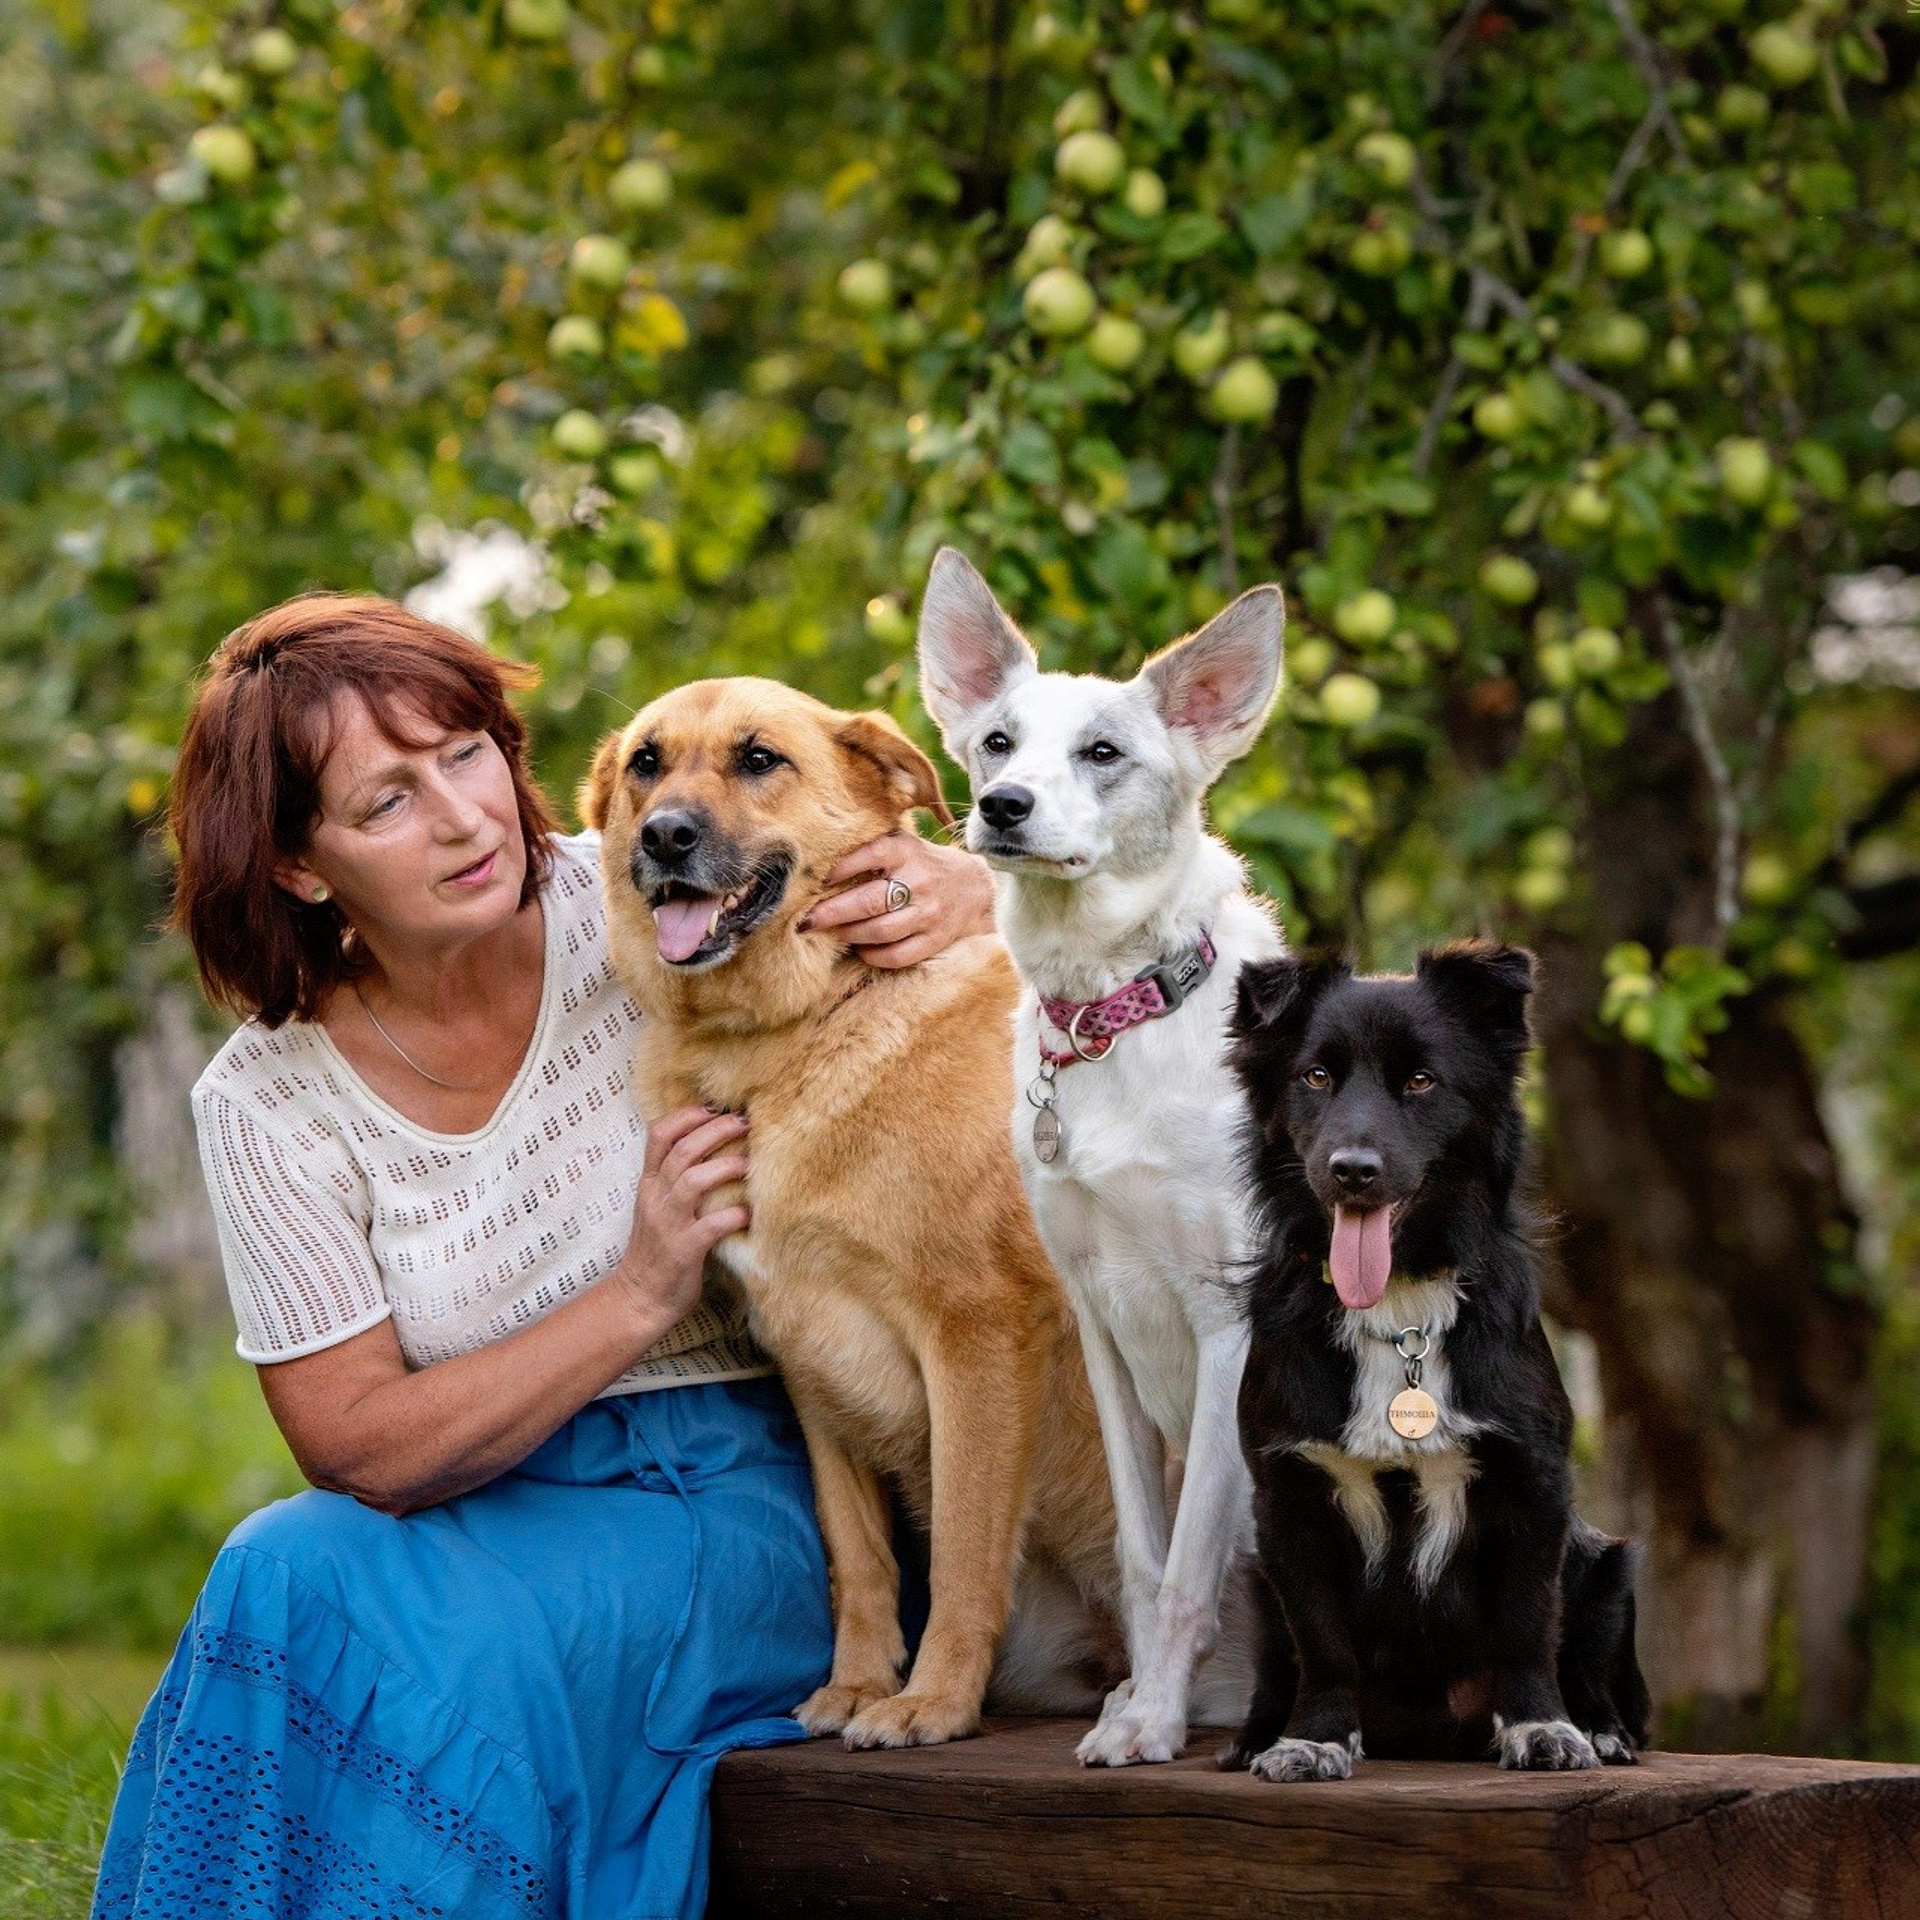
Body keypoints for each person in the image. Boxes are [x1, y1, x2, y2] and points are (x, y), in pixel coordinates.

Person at [90, 594, 995, 1920]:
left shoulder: (659, 900)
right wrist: (639, 1288)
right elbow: (358, 1450)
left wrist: (969, 881)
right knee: (283, 1566)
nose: (462, 819)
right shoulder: (267, 1104)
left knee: (452, 1660)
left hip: (756, 1491)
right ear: (298, 863)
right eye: (385, 801)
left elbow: (898, 875)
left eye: (465, 757)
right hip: (481, 1505)